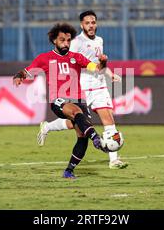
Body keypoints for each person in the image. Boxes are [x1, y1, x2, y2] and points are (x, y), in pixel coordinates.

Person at [13, 22, 110, 179]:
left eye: (68, 40)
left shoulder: (76, 57)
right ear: (54, 41)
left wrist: (103, 62)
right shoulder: (44, 58)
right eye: (62, 40)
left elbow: (97, 68)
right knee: (77, 114)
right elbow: (27, 71)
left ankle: (69, 170)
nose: (66, 43)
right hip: (58, 100)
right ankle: (96, 138)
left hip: (79, 99)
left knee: (82, 136)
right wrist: (18, 76)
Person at [36, 10, 128, 169]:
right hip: (82, 87)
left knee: (108, 118)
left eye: (93, 22)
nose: (91, 26)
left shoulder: (100, 40)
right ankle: (48, 127)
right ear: (81, 25)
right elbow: (69, 60)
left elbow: (98, 64)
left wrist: (109, 73)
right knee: (76, 124)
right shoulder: (76, 42)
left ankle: (113, 160)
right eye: (87, 23)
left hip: (99, 86)